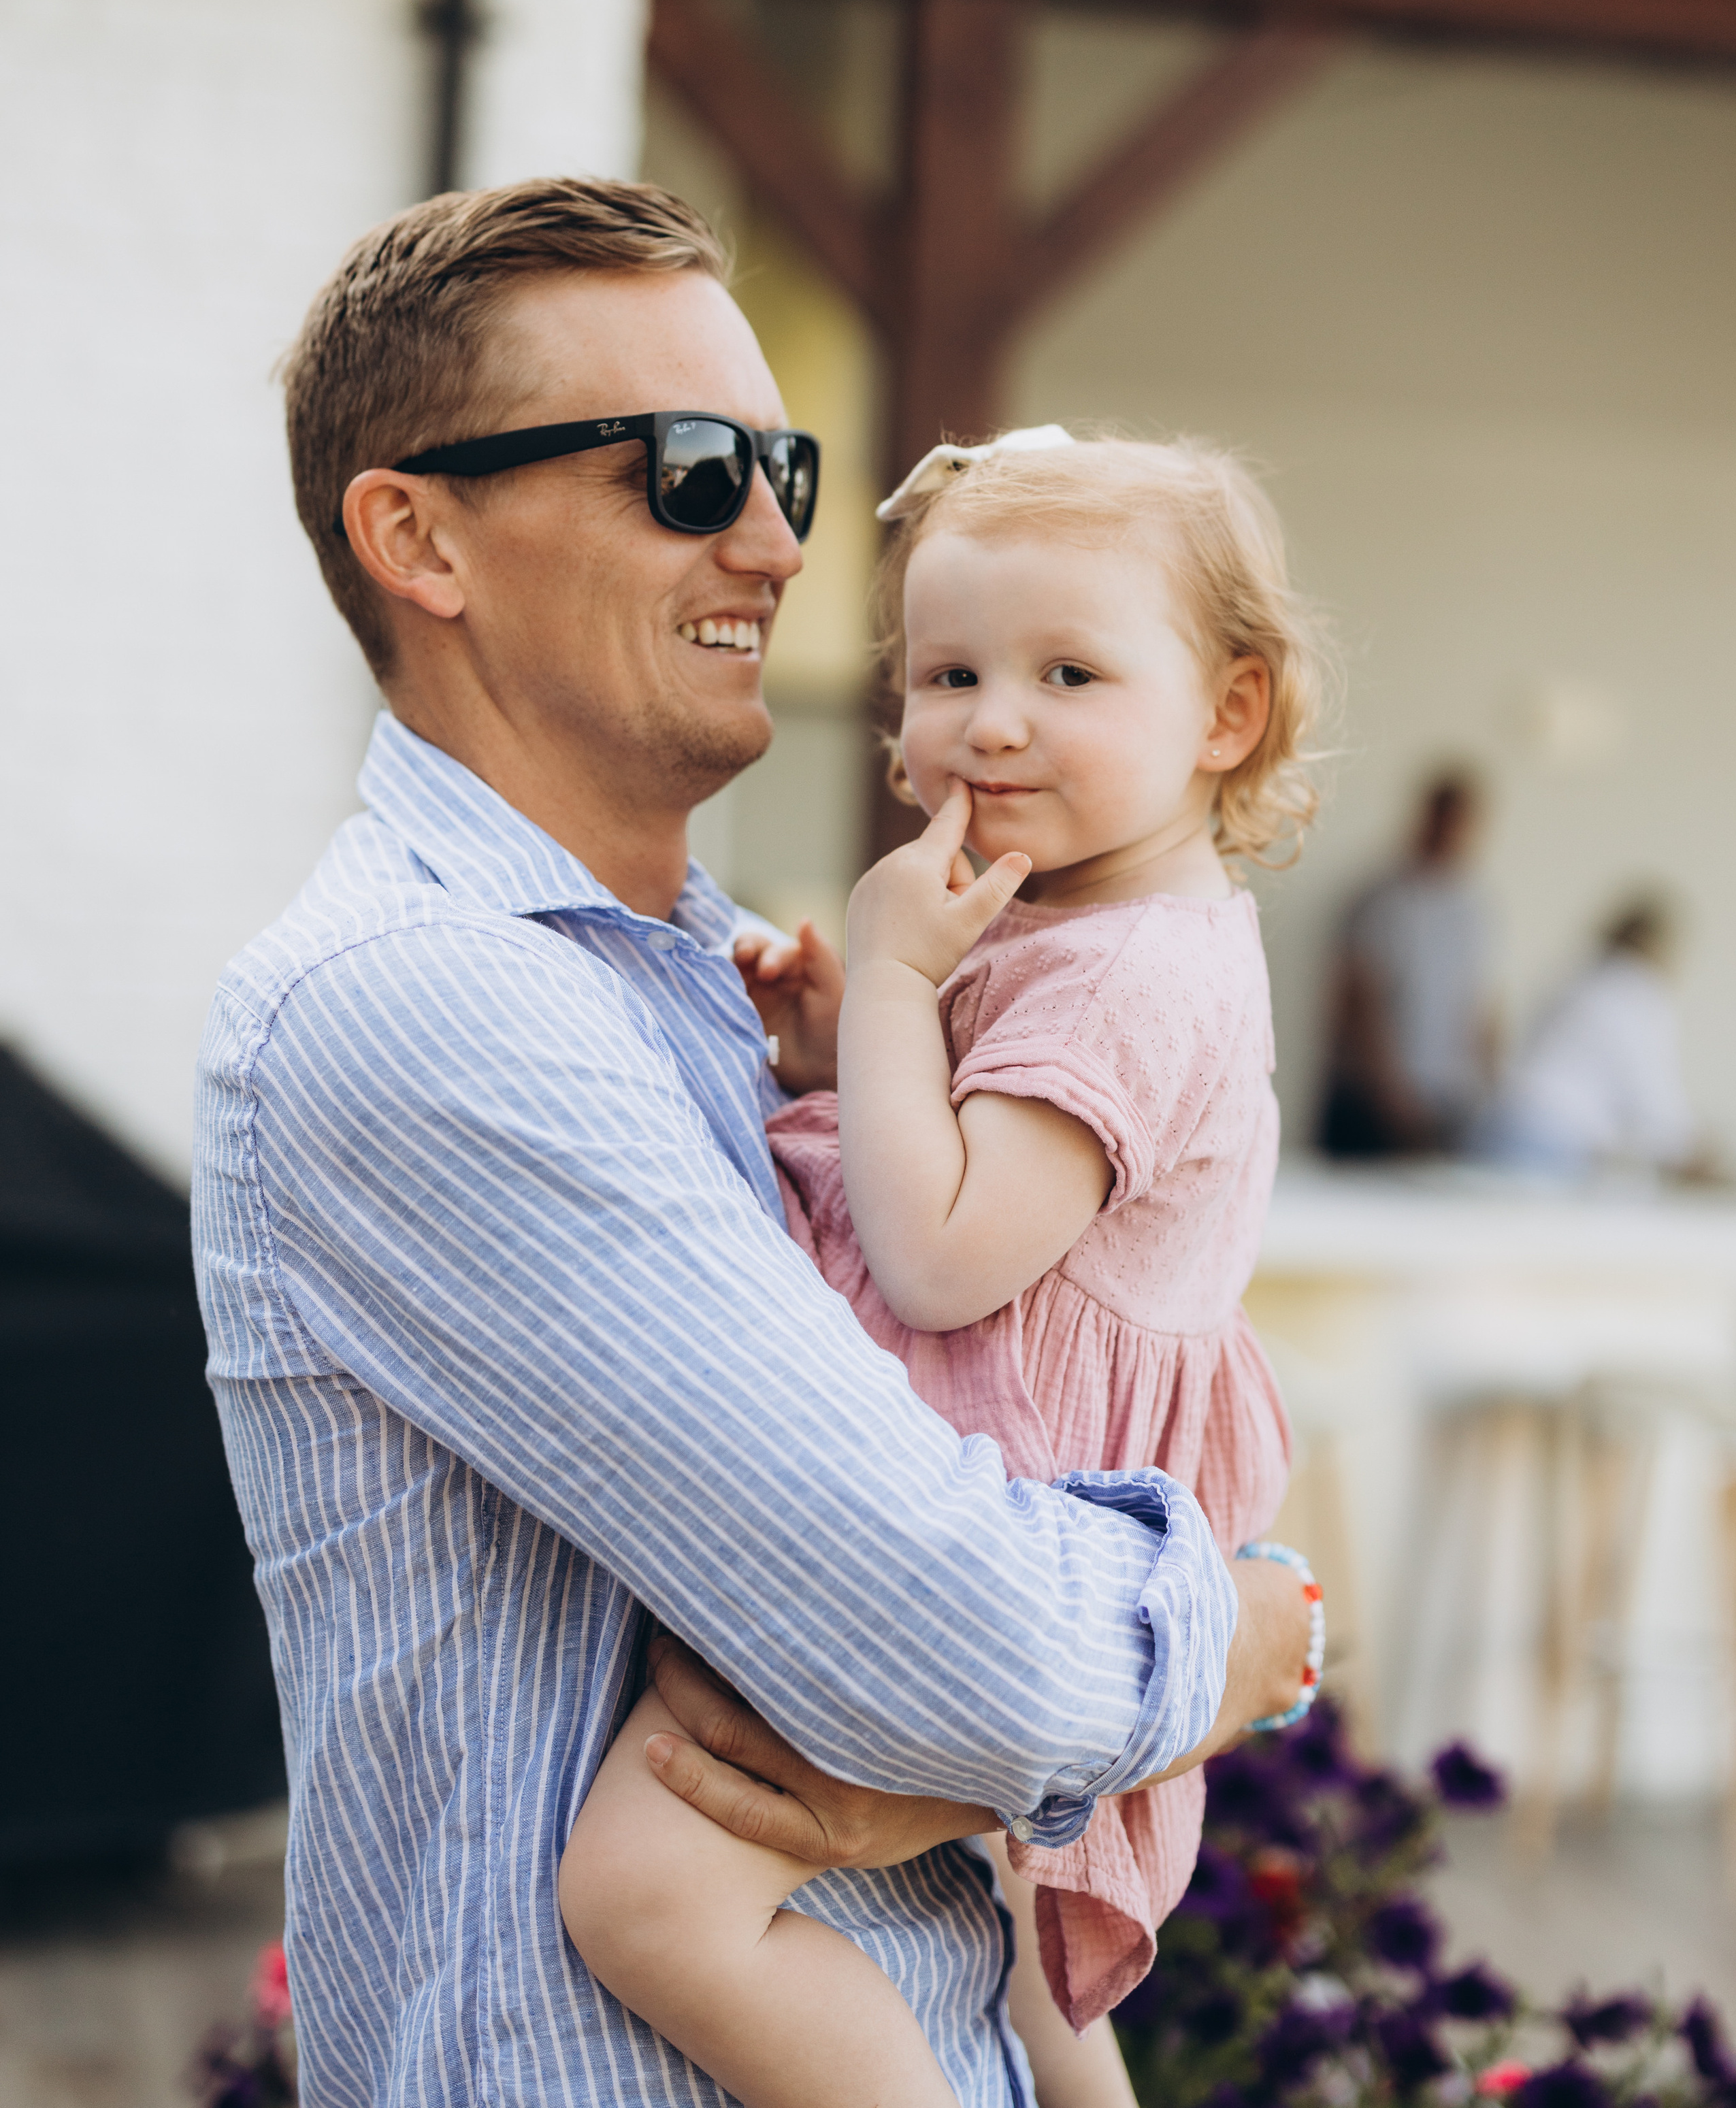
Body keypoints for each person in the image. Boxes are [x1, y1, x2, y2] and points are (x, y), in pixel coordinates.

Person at [191, 180, 1311, 2108]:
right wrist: (1249, 1641)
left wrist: (994, 1740)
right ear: (419, 539)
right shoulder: (430, 1007)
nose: (782, 539)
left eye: (782, 462)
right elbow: (971, 1648)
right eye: (690, 471)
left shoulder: (723, 978)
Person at [561, 431, 1326, 2108]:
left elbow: (940, 1258)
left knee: (645, 1891)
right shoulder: (1089, 931)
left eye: (1068, 671)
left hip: (1002, 1526)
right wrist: (864, 1040)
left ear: (1226, 713)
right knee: (1012, 1918)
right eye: (946, 670)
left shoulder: (1119, 976)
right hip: (1037, 1495)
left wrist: (899, 983)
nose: (990, 718)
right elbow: (981, 1170)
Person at [1319, 768, 1496, 1157]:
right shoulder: (1381, 900)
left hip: (1442, 1104)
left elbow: (1479, 1008)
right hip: (1370, 1102)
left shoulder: (1471, 911)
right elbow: (1357, 1003)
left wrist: (1490, 1092)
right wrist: (1390, 1093)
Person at [1481, 895, 1698, 1176]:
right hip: (1551, 1141)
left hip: (1496, 1124)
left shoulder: (1578, 979)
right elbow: (1656, 1105)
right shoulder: (1639, 993)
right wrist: (1691, 1149)